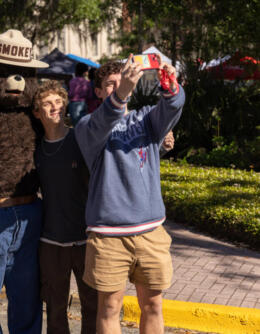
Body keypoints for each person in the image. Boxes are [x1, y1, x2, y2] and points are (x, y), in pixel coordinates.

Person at [75, 55, 185, 334]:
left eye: (121, 82)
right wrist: (121, 93)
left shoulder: (146, 118)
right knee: (110, 309)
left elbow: (172, 107)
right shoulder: (87, 126)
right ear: (98, 92)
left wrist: (170, 85)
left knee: (153, 307)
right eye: (110, 84)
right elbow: (106, 119)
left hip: (151, 232)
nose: (117, 87)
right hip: (108, 236)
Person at [32, 80, 98, 334]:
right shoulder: (35, 150)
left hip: (84, 240)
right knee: (55, 309)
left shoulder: (79, 140)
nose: (55, 108)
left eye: (59, 102)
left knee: (91, 307)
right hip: (51, 241)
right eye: (48, 103)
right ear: (37, 112)